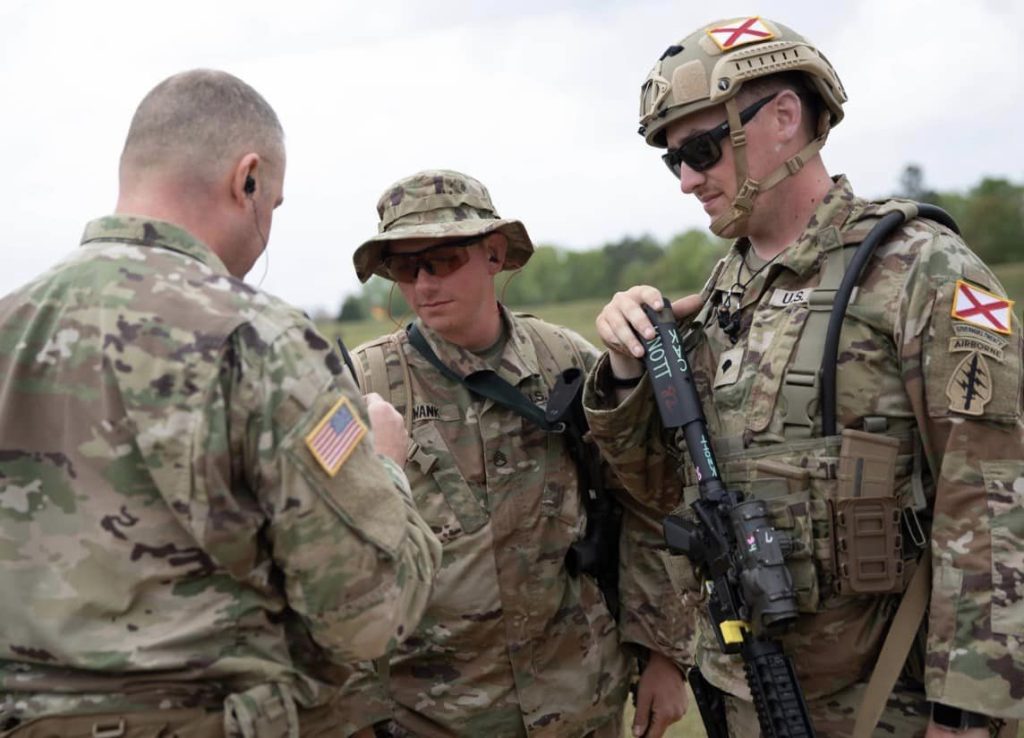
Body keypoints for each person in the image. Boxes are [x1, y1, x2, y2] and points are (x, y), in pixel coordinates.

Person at [584, 16, 1023, 738]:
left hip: (889, 708)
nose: (689, 178)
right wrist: (630, 371)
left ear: (785, 118)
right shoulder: (721, 298)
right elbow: (661, 491)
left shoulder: (922, 271)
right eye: (673, 161)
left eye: (701, 148)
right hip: (745, 693)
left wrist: (971, 712)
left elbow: (995, 505)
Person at [0, 69, 440, 738]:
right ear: (248, 180)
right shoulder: (262, 340)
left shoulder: (11, 327)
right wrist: (384, 467)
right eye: (276, 204)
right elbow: (368, 616)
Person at [336, 169, 691, 738]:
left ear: (494, 254)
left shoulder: (566, 362)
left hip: (580, 702)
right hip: (431, 715)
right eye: (405, 267)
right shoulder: (358, 387)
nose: (424, 283)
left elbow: (644, 504)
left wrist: (663, 654)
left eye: (443, 259)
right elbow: (329, 564)